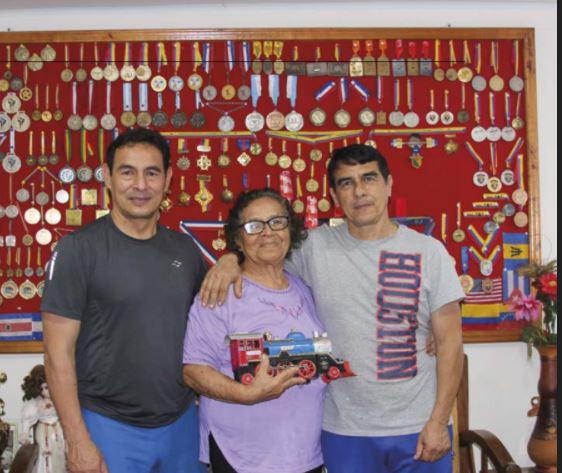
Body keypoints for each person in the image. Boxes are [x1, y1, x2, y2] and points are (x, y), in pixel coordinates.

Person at [201, 144, 465, 473]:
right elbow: (262, 254)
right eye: (346, 182)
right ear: (334, 195)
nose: (359, 191)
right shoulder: (313, 247)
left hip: (418, 427)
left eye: (369, 178)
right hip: (343, 430)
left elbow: (451, 343)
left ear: (389, 184)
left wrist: (439, 421)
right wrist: (230, 259)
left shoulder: (430, 252)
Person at [40, 128, 207, 473]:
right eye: (128, 172)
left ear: (168, 179)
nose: (140, 185)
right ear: (108, 177)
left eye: (152, 172)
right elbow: (57, 355)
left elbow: (213, 325)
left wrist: (232, 262)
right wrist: (77, 440)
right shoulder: (78, 250)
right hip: (107, 426)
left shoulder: (186, 251)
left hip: (180, 422)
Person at [183, 189, 327, 473]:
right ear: (237, 238)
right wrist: (246, 395)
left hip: (306, 454)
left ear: (290, 228)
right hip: (243, 456)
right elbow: (193, 370)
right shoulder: (220, 294)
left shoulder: (304, 289)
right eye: (254, 226)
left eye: (277, 222)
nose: (267, 233)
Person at [19, 365, 66, 473]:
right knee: (44, 455)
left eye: (47, 387)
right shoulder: (36, 403)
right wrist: (25, 433)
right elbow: (27, 419)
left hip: (59, 429)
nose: (45, 391)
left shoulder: (60, 400)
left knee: (61, 452)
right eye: (42, 389)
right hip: (44, 430)